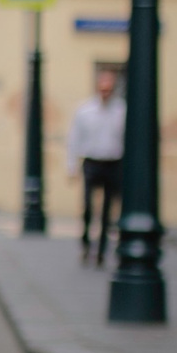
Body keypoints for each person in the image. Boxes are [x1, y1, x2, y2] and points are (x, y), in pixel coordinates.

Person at [67, 66, 125, 266]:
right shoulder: (85, 111)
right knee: (87, 207)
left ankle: (101, 251)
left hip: (114, 163)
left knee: (109, 211)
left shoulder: (121, 110)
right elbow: (74, 138)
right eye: (103, 88)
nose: (105, 93)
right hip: (91, 162)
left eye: (109, 89)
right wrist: (71, 166)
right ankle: (85, 244)